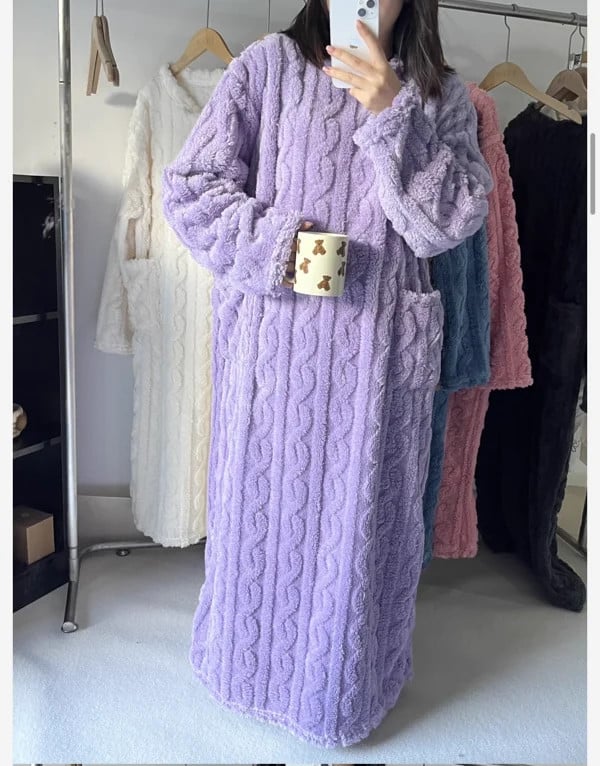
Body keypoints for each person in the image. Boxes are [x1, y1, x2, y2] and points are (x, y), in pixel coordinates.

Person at [162, 0, 493, 748]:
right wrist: (286, 250)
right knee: (265, 518)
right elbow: (191, 189)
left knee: (364, 531)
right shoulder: (267, 68)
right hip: (278, 357)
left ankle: (348, 692)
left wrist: (392, 110)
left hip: (382, 364)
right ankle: (245, 670)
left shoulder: (442, 96)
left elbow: (449, 223)